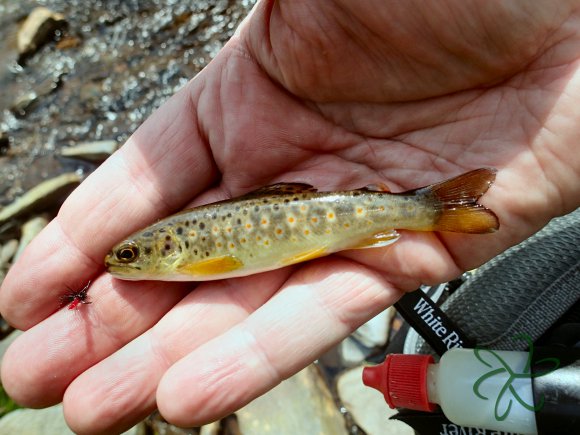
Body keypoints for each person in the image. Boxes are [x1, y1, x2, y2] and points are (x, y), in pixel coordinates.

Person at [1, 1, 579, 433]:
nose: (118, 262)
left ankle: (431, 207)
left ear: (160, 249)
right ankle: (430, 208)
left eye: (128, 254)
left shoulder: (192, 254)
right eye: (125, 255)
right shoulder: (175, 251)